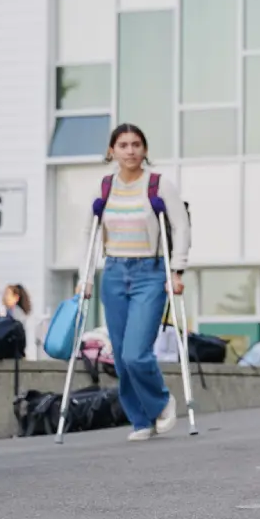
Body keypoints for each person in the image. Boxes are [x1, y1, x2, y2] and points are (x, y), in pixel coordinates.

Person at [77, 123, 192, 442]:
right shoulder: (104, 187)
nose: (130, 150)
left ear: (144, 150)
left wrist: (177, 269)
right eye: (123, 145)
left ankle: (160, 401)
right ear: (111, 150)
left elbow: (181, 227)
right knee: (121, 353)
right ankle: (140, 419)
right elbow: (89, 234)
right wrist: (84, 278)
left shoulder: (158, 185)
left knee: (135, 352)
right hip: (113, 272)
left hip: (150, 272)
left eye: (136, 144)